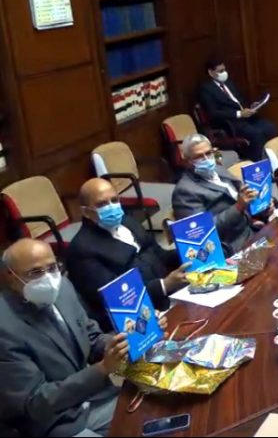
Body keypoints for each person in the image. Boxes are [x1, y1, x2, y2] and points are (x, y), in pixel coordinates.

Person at [0, 239, 166, 437]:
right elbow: (35, 403)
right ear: (10, 276)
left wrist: (133, 336)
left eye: (52, 268)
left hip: (94, 394)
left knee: (164, 406)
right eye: (35, 272)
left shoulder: (63, 288)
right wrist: (102, 369)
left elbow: (91, 337)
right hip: (56, 420)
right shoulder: (5, 328)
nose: (48, 278)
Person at [66, 179, 190, 332]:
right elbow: (116, 298)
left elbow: (157, 254)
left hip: (173, 297)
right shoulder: (81, 250)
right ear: (86, 212)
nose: (112, 207)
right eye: (102, 204)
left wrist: (185, 251)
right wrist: (164, 285)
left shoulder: (127, 221)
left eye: (114, 200)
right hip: (141, 321)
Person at [172, 134, 258, 255]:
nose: (206, 159)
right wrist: (238, 207)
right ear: (187, 161)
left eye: (208, 153)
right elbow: (202, 234)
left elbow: (242, 195)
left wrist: (261, 205)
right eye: (199, 156)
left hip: (249, 229)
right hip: (230, 247)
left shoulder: (218, 169)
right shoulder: (184, 191)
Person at [197, 58, 277, 161]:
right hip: (230, 122)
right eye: (220, 71)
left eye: (224, 70)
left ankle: (273, 159)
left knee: (270, 127)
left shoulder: (229, 83)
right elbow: (213, 113)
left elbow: (239, 101)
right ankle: (257, 162)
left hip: (247, 118)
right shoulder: (206, 89)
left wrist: (251, 106)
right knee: (256, 133)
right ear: (211, 72)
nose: (224, 73)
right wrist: (239, 114)